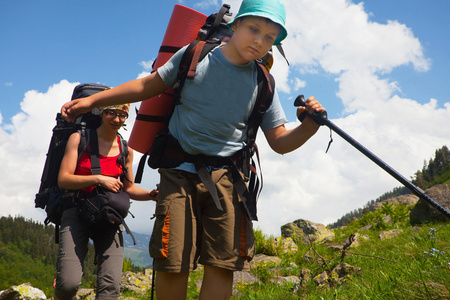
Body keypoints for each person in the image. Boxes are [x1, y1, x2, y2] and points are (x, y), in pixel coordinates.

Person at [60, 0, 326, 298]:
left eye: (269, 37)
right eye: (254, 28)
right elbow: (149, 85)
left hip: (230, 179)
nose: (260, 40)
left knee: (223, 264)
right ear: (235, 25)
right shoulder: (196, 55)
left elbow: (279, 141)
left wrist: (309, 126)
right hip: (178, 175)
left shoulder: (263, 82)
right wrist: (95, 100)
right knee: (173, 262)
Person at [54, 103, 158, 300]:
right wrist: (98, 178)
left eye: (122, 115)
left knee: (110, 287)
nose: (116, 119)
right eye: (111, 113)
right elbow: (63, 179)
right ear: (102, 113)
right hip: (76, 211)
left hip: (109, 215)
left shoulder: (125, 149)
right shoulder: (79, 139)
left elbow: (129, 188)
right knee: (68, 284)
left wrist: (150, 195)